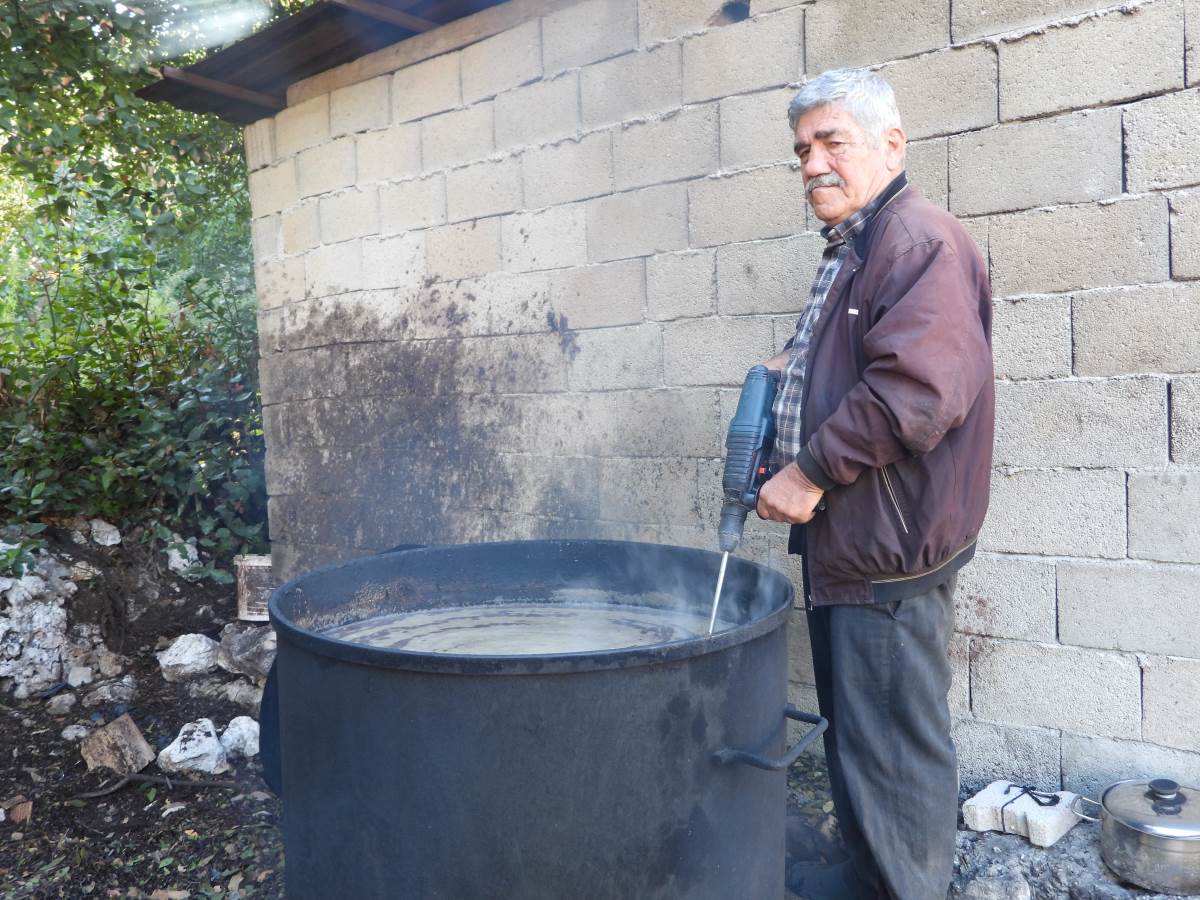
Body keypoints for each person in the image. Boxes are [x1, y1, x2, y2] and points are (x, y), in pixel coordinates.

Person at [754, 68, 995, 900]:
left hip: (885, 553)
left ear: (892, 145)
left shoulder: (918, 241)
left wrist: (809, 467)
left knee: (891, 750)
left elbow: (918, 391)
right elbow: (855, 365)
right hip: (851, 544)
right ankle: (871, 879)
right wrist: (788, 382)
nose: (812, 162)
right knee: (859, 740)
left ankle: (904, 890)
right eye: (802, 149)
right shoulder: (857, 247)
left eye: (832, 142)